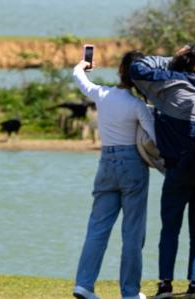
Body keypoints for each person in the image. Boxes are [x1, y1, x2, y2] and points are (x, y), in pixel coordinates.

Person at [72, 50, 157, 299]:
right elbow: (155, 138)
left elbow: (78, 76)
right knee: (132, 232)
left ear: (120, 71)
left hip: (106, 163)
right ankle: (130, 292)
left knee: (97, 228)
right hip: (133, 166)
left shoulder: (102, 94)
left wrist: (84, 63)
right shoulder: (137, 106)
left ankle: (84, 284)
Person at [129, 44, 195, 299]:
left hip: (176, 169)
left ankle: (165, 285)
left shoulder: (166, 86)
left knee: (170, 229)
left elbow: (136, 67)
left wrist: (172, 59)